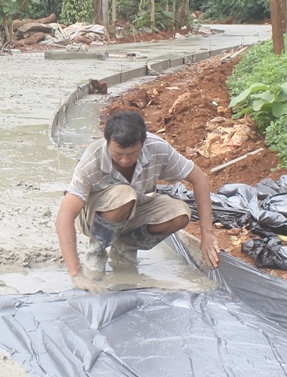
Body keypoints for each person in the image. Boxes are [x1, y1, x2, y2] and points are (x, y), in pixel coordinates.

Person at [55, 109, 219, 292]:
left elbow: (199, 179)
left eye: (132, 154)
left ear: (143, 143)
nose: (125, 160)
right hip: (94, 219)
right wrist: (76, 274)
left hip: (136, 210)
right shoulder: (91, 161)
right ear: (108, 143)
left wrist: (207, 233)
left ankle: (124, 247)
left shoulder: (157, 148)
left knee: (181, 214)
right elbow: (64, 217)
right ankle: (97, 253)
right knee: (125, 195)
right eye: (118, 154)